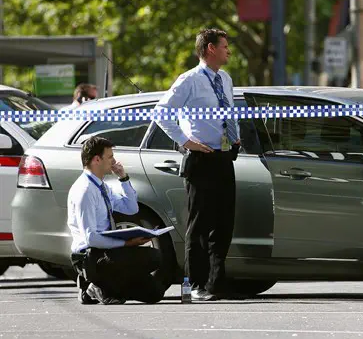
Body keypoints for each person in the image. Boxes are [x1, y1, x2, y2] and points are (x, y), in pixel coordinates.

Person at [154, 28, 241, 301]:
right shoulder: (189, 80)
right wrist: (185, 141)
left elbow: (228, 113)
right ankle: (196, 285)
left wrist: (236, 139)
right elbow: (161, 112)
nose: (229, 51)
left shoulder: (225, 79)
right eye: (225, 46)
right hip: (201, 160)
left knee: (223, 224)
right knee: (200, 226)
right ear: (210, 48)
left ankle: (216, 283)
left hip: (224, 158)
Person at [68, 136, 166, 305]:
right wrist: (127, 243)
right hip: (90, 255)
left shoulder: (101, 186)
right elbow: (91, 238)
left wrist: (123, 178)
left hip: (107, 252)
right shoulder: (85, 190)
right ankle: (95, 284)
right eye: (110, 157)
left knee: (154, 293)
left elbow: (131, 208)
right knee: (152, 257)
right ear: (97, 160)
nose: (114, 161)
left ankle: (95, 286)